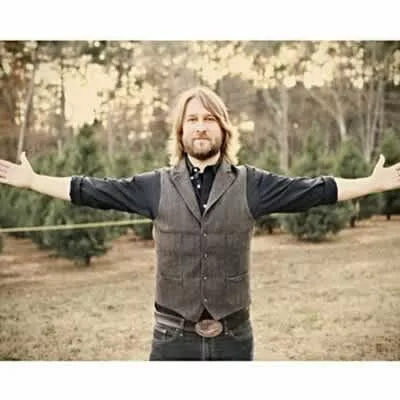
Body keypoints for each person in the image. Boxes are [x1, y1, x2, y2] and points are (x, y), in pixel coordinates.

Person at [1, 86, 400, 361]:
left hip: (234, 336)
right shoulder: (154, 186)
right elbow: (91, 190)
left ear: (223, 128)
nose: (201, 126)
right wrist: (34, 181)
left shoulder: (253, 184)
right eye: (192, 119)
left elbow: (315, 189)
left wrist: (371, 184)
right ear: (181, 131)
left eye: (209, 118)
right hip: (171, 336)